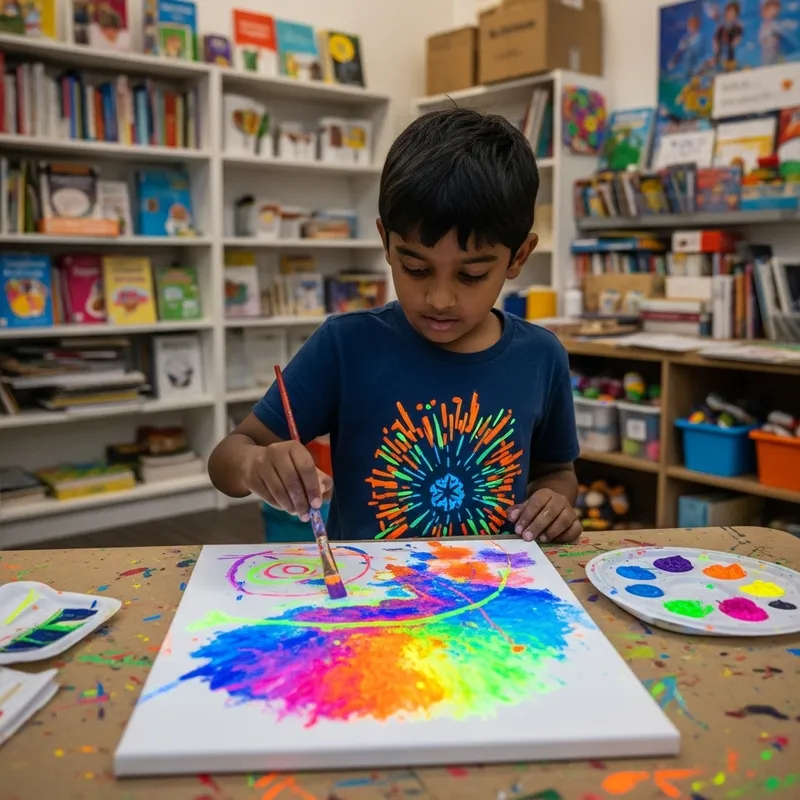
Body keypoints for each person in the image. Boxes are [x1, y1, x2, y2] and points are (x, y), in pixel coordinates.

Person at [209, 108, 581, 545]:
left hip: (497, 594)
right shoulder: (346, 345)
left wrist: (554, 503)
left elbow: (556, 472)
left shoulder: (541, 356)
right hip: (373, 597)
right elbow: (226, 460)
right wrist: (256, 466)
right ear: (386, 242)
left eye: (472, 275)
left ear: (519, 257)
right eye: (415, 268)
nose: (439, 298)